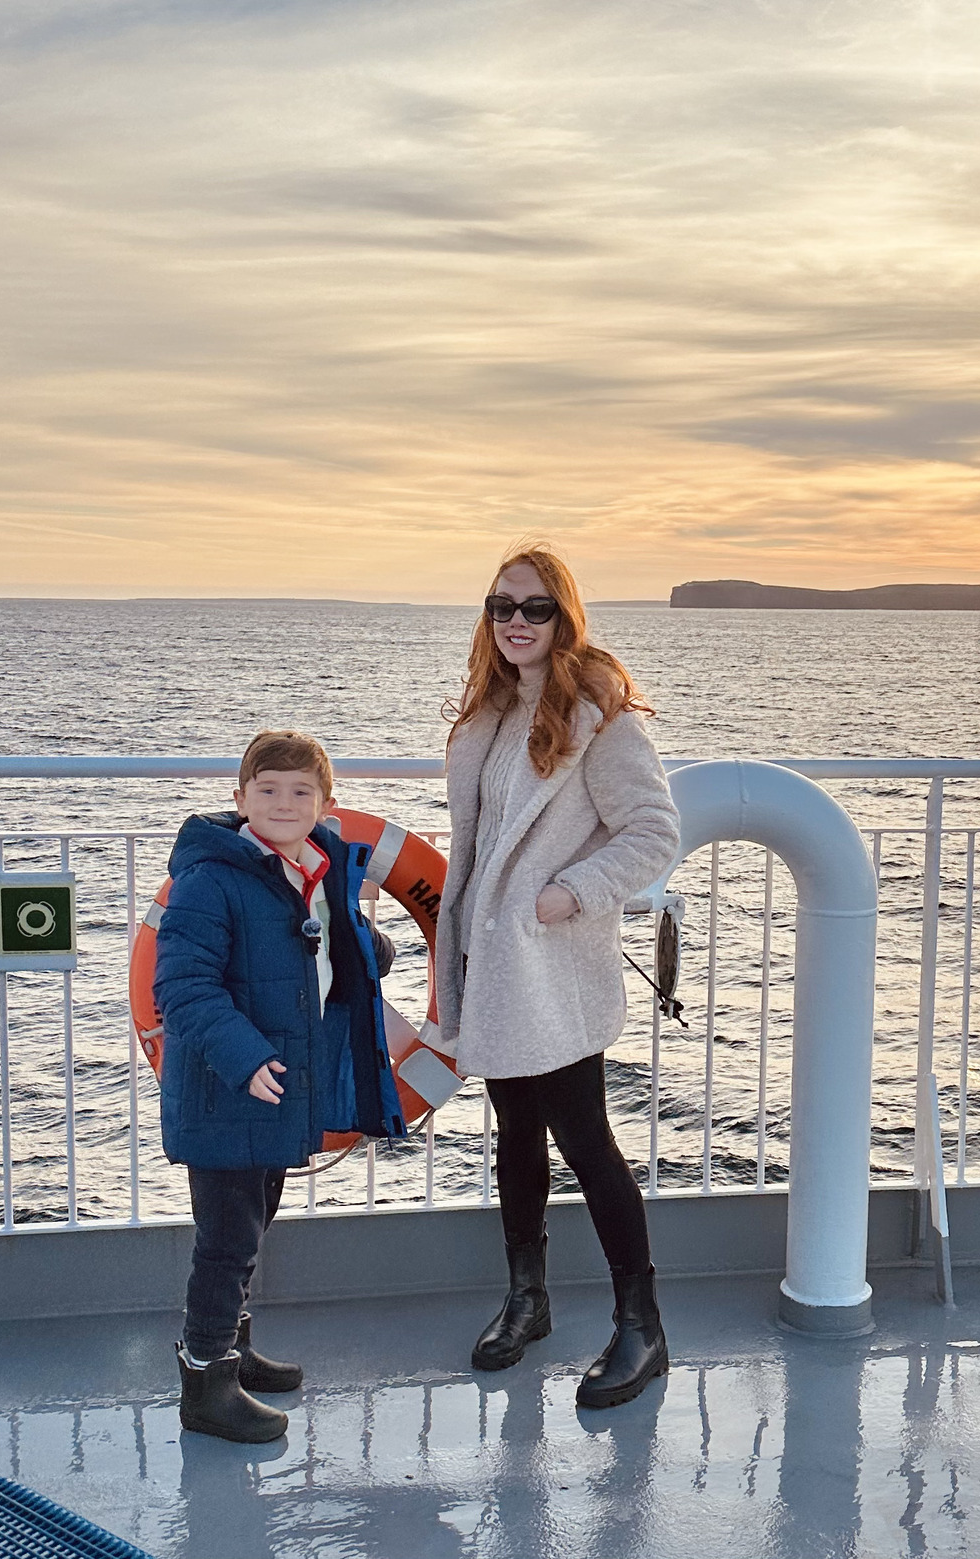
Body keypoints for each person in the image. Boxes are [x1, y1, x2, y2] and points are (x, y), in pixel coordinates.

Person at [435, 542, 682, 1410]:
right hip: (497, 963)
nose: (515, 621)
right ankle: (529, 1299)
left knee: (585, 1137)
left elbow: (653, 832)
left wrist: (568, 893)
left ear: (563, 616)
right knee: (514, 1133)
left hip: (553, 962)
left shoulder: (598, 716)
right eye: (502, 605)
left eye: (535, 607)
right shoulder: (491, 716)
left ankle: (641, 1323)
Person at [155, 729, 406, 1442]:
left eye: (301, 791)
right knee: (226, 1237)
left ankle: (234, 1351)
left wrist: (366, 942)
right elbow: (183, 984)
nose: (284, 803)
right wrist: (242, 1056)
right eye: (267, 790)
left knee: (255, 1217)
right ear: (239, 800)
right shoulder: (211, 879)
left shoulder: (320, 873)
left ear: (327, 802)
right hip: (227, 1088)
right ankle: (205, 1379)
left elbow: (328, 952)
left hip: (279, 1086)